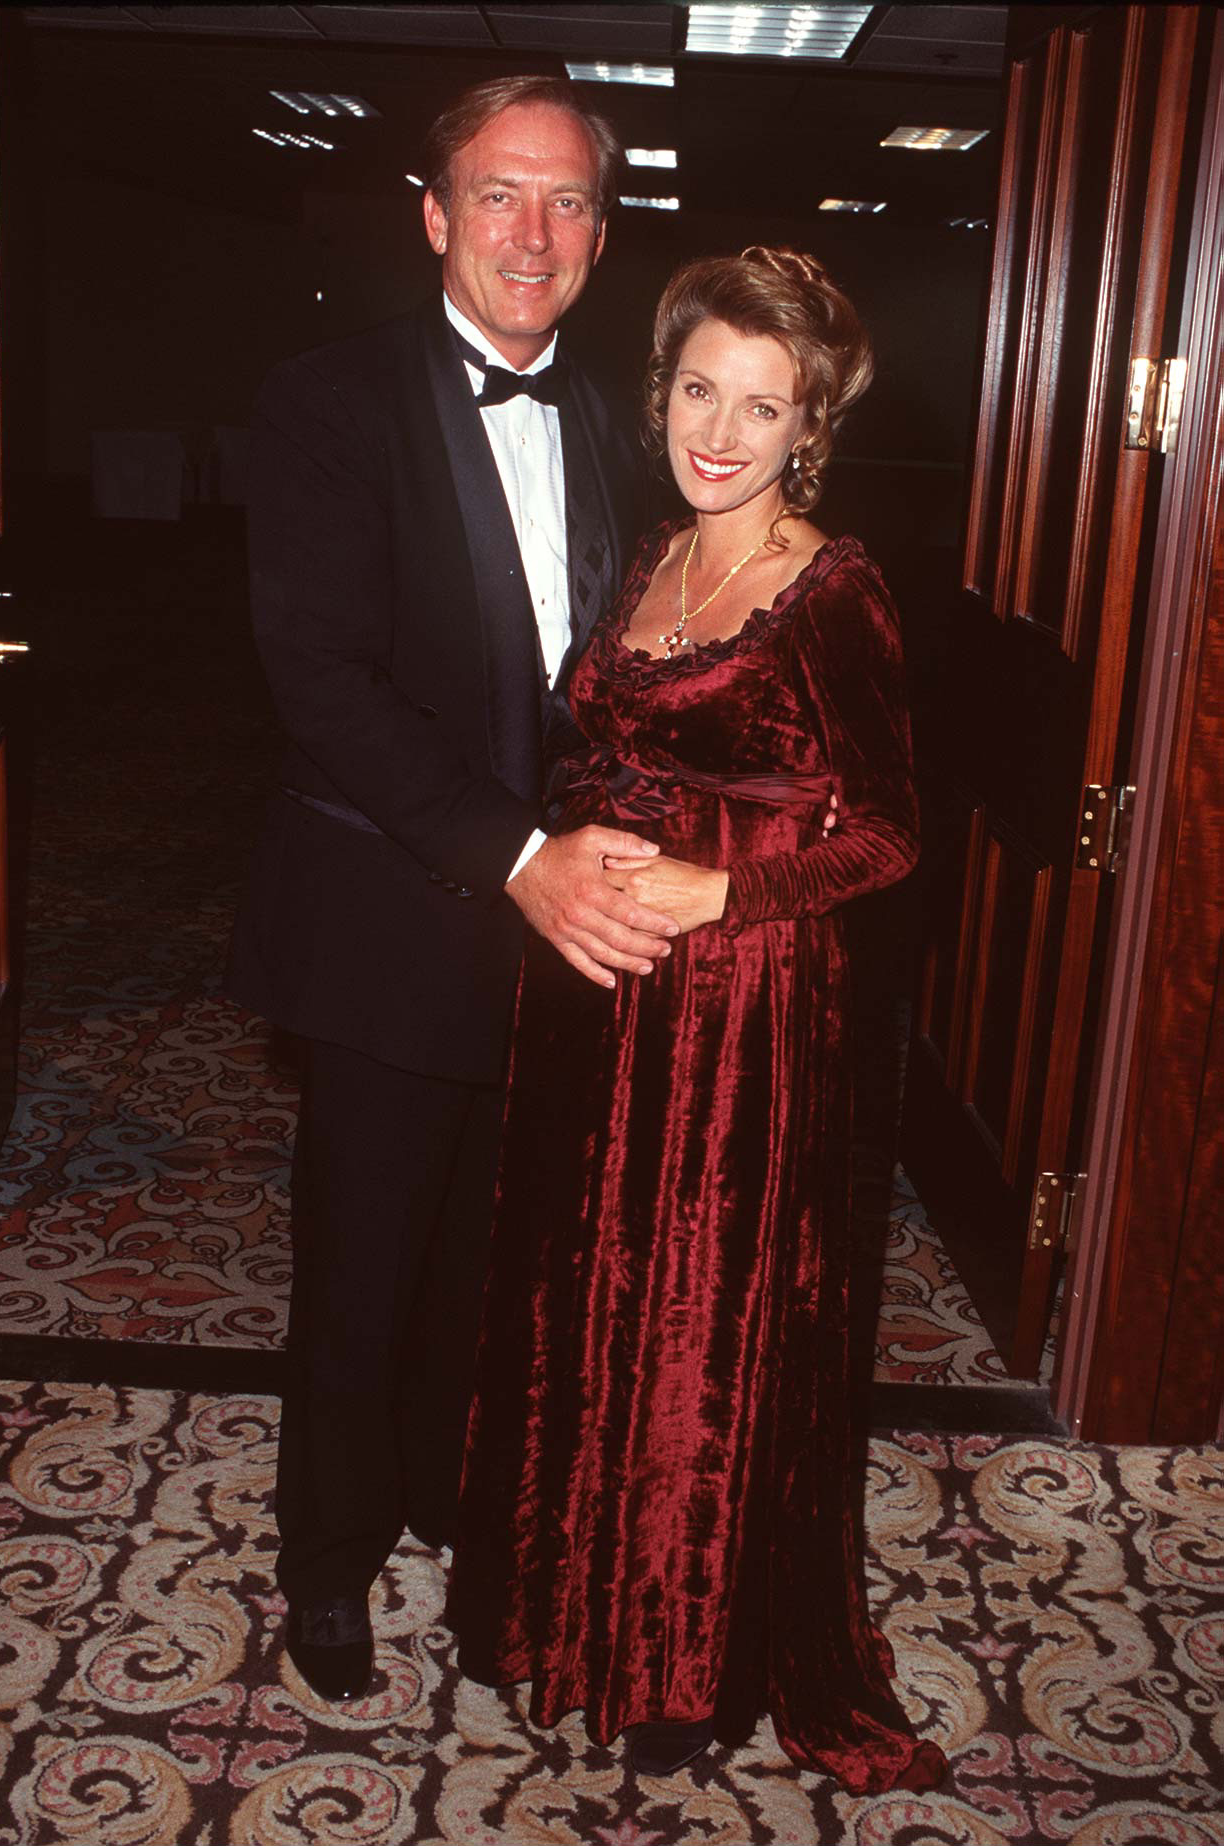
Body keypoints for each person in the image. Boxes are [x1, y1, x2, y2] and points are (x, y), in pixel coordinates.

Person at [446, 247, 949, 1791]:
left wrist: (713, 890)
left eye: (761, 402)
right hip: (599, 1000)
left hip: (736, 1021)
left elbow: (886, 834)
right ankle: (561, 1600)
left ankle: (677, 1653)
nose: (718, 426)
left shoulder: (830, 586)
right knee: (582, 1292)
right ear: (659, 388)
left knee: (697, 1333)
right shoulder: (654, 550)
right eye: (695, 387)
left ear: (810, 424)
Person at [226, 76, 682, 1704]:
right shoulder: (323, 403)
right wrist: (517, 856)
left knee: (500, 1255)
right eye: (498, 195)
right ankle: (327, 1554)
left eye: (565, 203)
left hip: (573, 939)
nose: (531, 233)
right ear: (431, 214)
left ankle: (442, 1488)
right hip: (387, 909)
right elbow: (324, 678)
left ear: (602, 234)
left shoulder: (635, 423)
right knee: (360, 1257)